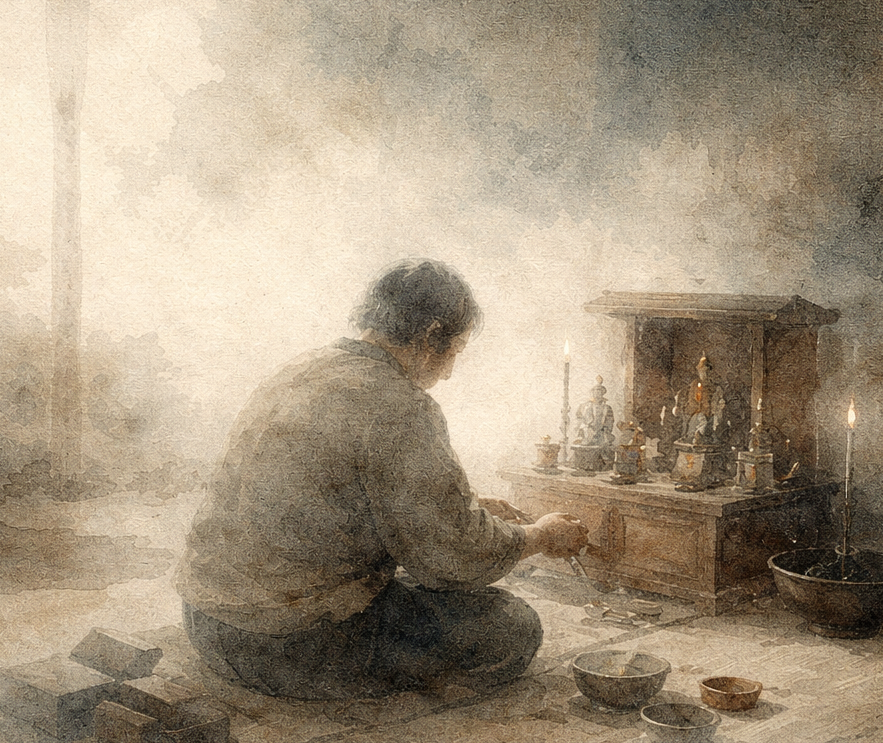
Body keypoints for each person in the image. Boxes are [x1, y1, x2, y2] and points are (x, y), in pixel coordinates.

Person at [176, 259, 588, 700]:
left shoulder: (302, 368)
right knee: (511, 624)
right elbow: (452, 558)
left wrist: (471, 506)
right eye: (456, 351)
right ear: (432, 336)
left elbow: (339, 494)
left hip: (206, 623)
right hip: (288, 647)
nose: (448, 371)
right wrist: (539, 536)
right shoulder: (399, 404)